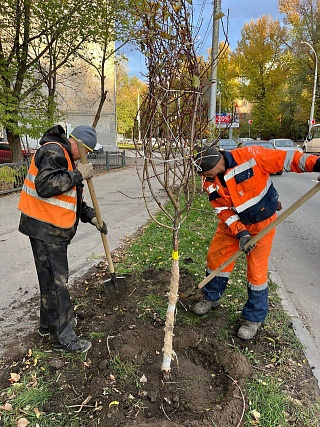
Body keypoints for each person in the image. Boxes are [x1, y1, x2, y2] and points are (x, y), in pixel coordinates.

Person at [191, 144, 320, 340]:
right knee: (216, 259)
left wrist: (317, 164)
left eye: (204, 171)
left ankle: (253, 318)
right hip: (232, 227)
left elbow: (288, 159)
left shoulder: (250, 156)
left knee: (256, 272)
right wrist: (241, 233)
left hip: (261, 225)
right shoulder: (209, 181)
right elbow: (222, 210)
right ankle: (211, 297)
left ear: (215, 162)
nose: (203, 177)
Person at [18, 124, 108, 353]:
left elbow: (69, 198)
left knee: (49, 281)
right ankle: (63, 338)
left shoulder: (64, 156)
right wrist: (78, 175)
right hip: (46, 229)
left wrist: (91, 217)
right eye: (86, 150)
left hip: (49, 228)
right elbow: (45, 185)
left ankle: (48, 325)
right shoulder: (54, 151)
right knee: (58, 284)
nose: (85, 156)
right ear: (76, 143)